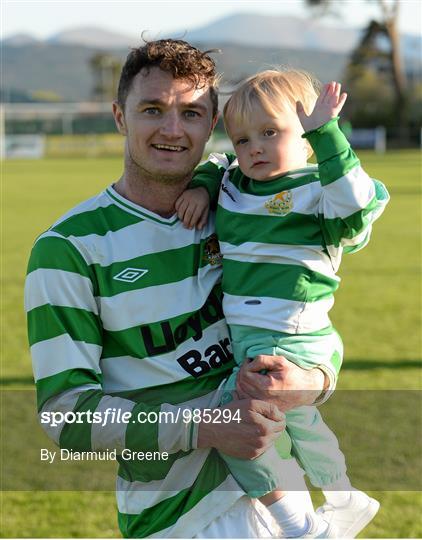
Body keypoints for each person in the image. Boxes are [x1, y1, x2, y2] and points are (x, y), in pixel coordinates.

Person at [24, 40, 334, 538]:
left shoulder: (245, 207)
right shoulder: (68, 249)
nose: (172, 129)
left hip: (289, 494)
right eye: (153, 110)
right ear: (120, 116)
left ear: (211, 126)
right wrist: (206, 427)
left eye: (191, 113)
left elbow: (310, 321)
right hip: (181, 518)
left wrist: (313, 381)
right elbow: (67, 418)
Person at [176, 69, 390, 537]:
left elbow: (355, 204)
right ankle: (343, 495)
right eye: (243, 138)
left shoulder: (318, 191)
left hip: (287, 336)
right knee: (300, 422)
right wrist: (201, 187)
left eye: (270, 133)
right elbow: (217, 165)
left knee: (238, 429)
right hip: (262, 337)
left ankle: (296, 524)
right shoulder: (235, 184)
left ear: (306, 136)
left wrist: (327, 132)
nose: (253, 147)